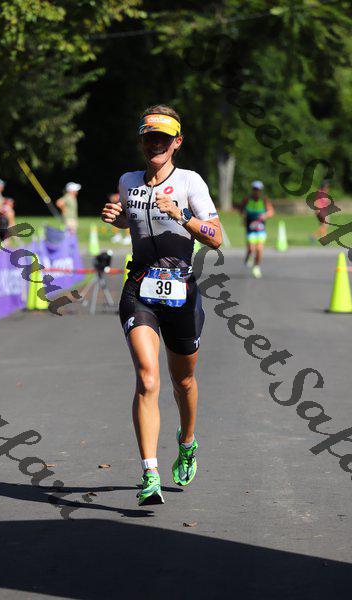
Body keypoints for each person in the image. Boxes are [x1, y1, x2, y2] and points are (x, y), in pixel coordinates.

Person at [101, 104, 222, 505]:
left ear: (177, 143)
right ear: (141, 141)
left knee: (183, 381)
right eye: (149, 138)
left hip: (180, 291)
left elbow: (216, 236)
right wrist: (118, 217)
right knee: (148, 378)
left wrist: (183, 215)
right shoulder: (128, 181)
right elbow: (131, 220)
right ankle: (149, 472)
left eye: (163, 139)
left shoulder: (190, 182)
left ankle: (187, 442)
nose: (156, 144)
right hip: (139, 289)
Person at [237, 181, 274, 278]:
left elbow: (271, 211)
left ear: (261, 191)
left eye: (258, 190)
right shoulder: (247, 199)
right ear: (252, 190)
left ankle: (256, 266)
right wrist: (244, 216)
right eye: (255, 189)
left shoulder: (264, 200)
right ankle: (248, 256)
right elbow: (240, 209)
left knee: (259, 249)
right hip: (250, 229)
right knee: (251, 249)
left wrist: (265, 215)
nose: (256, 191)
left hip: (261, 229)